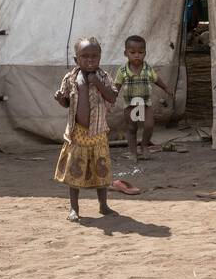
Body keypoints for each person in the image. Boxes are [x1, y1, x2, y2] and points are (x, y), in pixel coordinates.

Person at [54, 36, 118, 221]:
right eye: (85, 56)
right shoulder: (71, 78)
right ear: (76, 59)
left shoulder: (104, 77)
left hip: (98, 133)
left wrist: (97, 83)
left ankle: (103, 205)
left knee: (101, 171)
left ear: (100, 58)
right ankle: (74, 208)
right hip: (77, 134)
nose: (90, 60)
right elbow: (67, 103)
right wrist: (61, 99)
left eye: (94, 56)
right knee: (75, 172)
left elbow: (112, 97)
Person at [113, 35, 173, 160]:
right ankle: (133, 151)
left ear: (145, 53)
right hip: (130, 105)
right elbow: (117, 86)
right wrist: (111, 98)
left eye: (140, 52)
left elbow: (156, 79)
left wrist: (166, 88)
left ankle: (144, 145)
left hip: (145, 104)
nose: (136, 55)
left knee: (149, 125)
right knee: (131, 127)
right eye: (132, 52)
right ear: (126, 53)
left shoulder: (147, 69)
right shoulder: (123, 71)